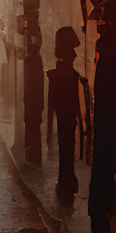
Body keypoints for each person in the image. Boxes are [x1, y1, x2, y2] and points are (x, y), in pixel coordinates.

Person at [48, 27, 88, 202]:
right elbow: (60, 102)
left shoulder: (62, 75)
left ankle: (65, 179)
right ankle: (66, 179)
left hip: (67, 116)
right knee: (67, 148)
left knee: (66, 148)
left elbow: (52, 104)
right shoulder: (66, 76)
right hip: (68, 116)